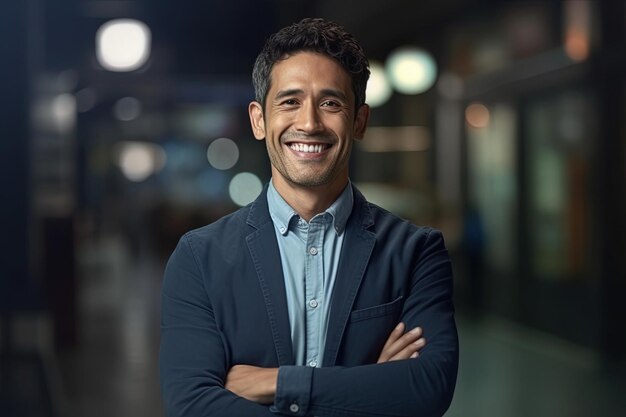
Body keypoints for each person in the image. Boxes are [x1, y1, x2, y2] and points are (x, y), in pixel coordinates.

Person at [160, 17, 458, 417]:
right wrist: (367, 385)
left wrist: (278, 383)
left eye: (331, 103)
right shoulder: (199, 258)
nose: (310, 123)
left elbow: (427, 390)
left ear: (359, 121)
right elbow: (192, 405)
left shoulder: (415, 252)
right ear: (259, 120)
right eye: (289, 101)